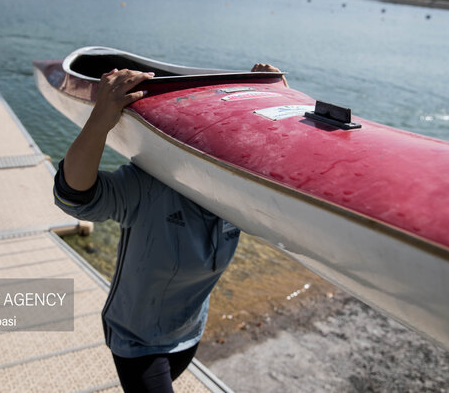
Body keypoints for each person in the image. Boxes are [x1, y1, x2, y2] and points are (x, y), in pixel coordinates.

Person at [53, 63, 286, 392]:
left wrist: (272, 94)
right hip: (138, 343)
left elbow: (289, 193)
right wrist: (101, 118)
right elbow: (74, 196)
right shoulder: (152, 186)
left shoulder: (241, 196)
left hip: (189, 336)